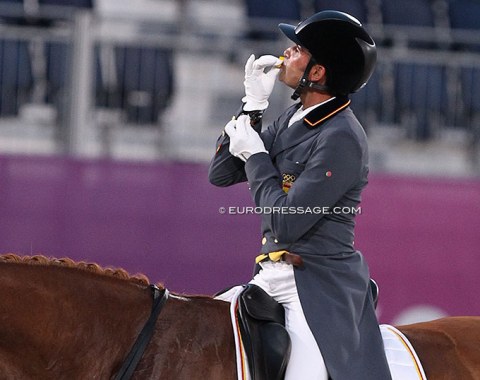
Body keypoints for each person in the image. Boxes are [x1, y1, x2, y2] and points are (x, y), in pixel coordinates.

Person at [209, 10, 392, 380]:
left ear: (318, 72)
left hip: (318, 285)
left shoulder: (341, 137)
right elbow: (222, 173)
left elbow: (286, 222)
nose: (285, 54)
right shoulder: (294, 118)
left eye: (296, 49)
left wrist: (258, 155)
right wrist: (252, 107)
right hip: (269, 275)